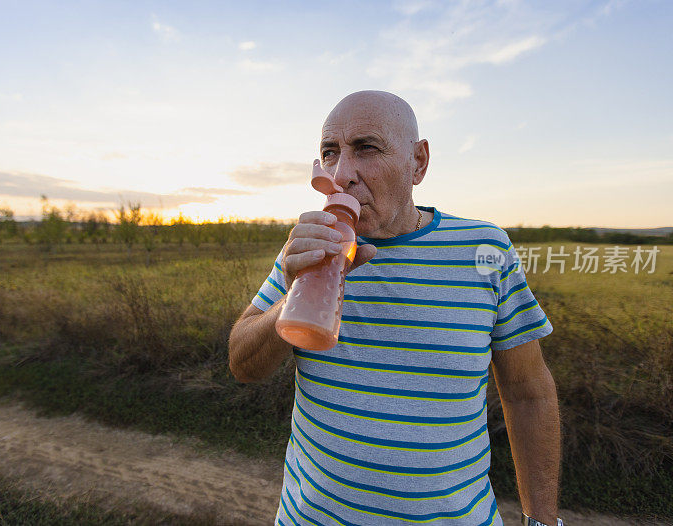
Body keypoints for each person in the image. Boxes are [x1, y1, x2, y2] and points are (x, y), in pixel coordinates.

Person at [228, 90, 562, 526]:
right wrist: (296, 295)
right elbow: (242, 364)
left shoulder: (484, 249)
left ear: (418, 162)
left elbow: (527, 392)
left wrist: (541, 521)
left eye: (366, 148)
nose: (342, 173)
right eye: (330, 153)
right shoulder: (309, 249)